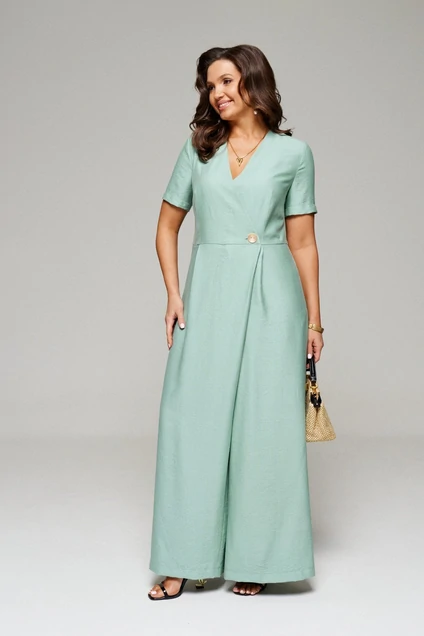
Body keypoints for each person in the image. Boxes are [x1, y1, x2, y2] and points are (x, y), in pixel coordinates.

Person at [147, 44, 324, 601]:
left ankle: (258, 557)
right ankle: (182, 558)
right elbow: (166, 226)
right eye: (209, 84)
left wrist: (316, 321)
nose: (216, 92)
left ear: (253, 81)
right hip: (209, 294)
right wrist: (174, 294)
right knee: (190, 422)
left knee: (265, 426)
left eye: (226, 80)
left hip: (275, 297)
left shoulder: (294, 154)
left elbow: (303, 242)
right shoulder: (198, 149)